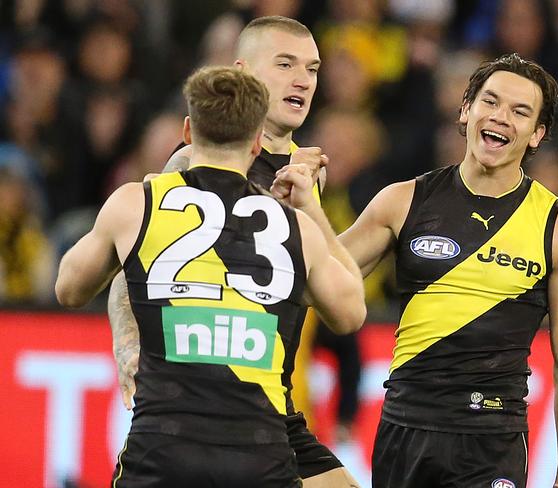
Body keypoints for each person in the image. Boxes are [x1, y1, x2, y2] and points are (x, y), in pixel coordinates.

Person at [273, 53, 558, 488]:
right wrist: (307, 206)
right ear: (466, 110)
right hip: (405, 429)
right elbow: (321, 283)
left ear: (537, 134)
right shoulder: (402, 201)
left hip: (491, 440)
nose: (500, 118)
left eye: (520, 112)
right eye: (491, 102)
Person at [55, 66, 366, 487]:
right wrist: (309, 206)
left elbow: (69, 289)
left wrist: (132, 233)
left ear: (187, 131)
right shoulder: (296, 227)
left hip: (163, 447)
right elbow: (350, 314)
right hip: (260, 450)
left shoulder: (136, 203)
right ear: (258, 142)